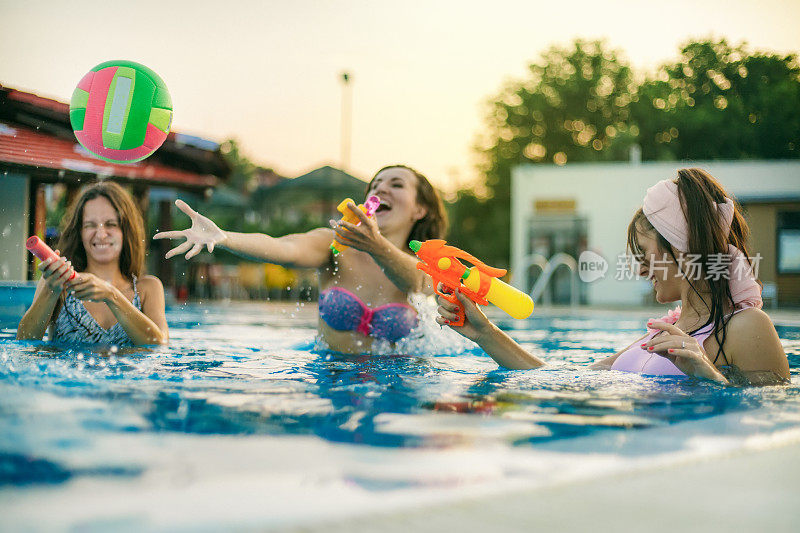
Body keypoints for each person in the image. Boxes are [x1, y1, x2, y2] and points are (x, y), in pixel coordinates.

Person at [436, 168, 789, 386]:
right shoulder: (664, 331)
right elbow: (558, 379)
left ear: (683, 248)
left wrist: (707, 376)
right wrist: (484, 332)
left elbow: (771, 416)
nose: (639, 269)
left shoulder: (746, 326)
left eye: (644, 254)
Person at [155, 165, 448, 354]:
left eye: (396, 185)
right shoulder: (336, 245)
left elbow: (417, 282)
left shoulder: (429, 263)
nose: (380, 190)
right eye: (374, 186)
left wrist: (378, 247)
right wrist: (226, 237)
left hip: (403, 388)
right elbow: (285, 248)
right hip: (331, 379)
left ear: (419, 209)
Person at [17, 182, 168, 346]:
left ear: (126, 230)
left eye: (111, 224)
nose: (101, 234)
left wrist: (111, 295)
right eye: (90, 225)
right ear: (80, 232)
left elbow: (159, 345)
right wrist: (50, 291)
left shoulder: (148, 288)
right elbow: (24, 344)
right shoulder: (56, 283)